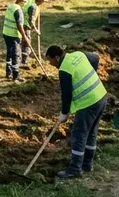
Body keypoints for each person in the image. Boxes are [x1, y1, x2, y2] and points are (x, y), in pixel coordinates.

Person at [46, 45, 108, 179]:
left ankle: (75, 169)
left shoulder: (64, 70)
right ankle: (87, 164)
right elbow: (95, 57)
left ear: (56, 57)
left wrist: (64, 113)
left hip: (88, 103)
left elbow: (66, 95)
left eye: (50, 60)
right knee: (91, 132)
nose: (50, 64)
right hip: (101, 96)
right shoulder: (78, 55)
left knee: (79, 135)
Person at [1, 0, 29, 81]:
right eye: (24, 3)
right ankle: (15, 76)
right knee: (16, 55)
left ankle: (8, 73)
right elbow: (19, 25)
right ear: (21, 1)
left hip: (6, 33)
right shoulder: (18, 10)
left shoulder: (10, 7)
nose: (24, 5)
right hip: (14, 35)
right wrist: (25, 36)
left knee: (9, 53)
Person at [22, 0, 47, 68]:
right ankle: (24, 61)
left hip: (23, 24)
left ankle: (22, 58)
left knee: (24, 41)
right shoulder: (33, 7)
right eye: (43, 2)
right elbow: (31, 20)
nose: (43, 3)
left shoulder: (32, 3)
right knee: (27, 43)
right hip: (25, 25)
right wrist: (36, 30)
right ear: (39, 0)